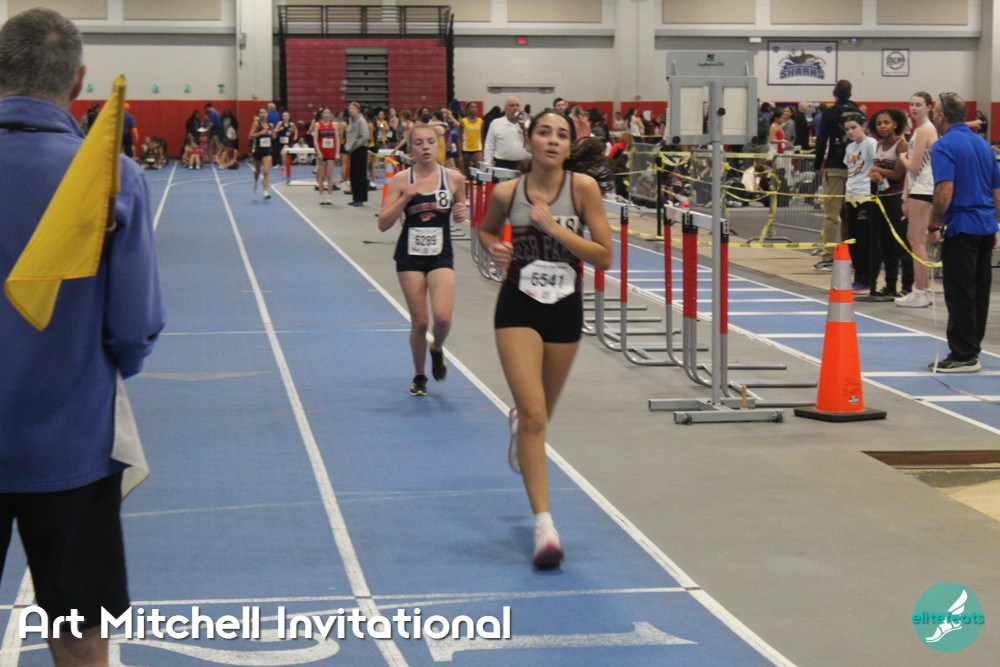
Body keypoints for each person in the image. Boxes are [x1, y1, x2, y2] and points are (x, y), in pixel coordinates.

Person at [0, 8, 164, 665]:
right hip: (71, 445)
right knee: (78, 632)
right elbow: (134, 328)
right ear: (78, 80)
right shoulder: (112, 179)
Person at [478, 111, 613, 568]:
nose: (553, 141)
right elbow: (486, 229)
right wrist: (494, 247)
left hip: (565, 309)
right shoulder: (507, 192)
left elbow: (605, 256)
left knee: (540, 416)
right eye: (544, 133)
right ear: (529, 140)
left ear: (569, 147)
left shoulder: (583, 189)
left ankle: (521, 422)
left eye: (562, 135)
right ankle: (545, 526)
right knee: (536, 416)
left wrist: (554, 228)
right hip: (518, 305)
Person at [377, 124, 467, 395]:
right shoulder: (401, 180)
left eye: (430, 141)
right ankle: (419, 375)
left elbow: (460, 210)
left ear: (439, 146)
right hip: (410, 256)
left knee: (443, 317)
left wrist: (460, 213)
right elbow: (383, 224)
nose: (425, 147)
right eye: (418, 143)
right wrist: (404, 198)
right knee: (420, 322)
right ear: (411, 149)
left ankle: (436, 348)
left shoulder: (454, 179)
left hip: (441, 254)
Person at [927, 93, 1000, 373]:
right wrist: (995, 223)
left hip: (961, 225)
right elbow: (997, 191)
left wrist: (934, 224)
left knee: (959, 291)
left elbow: (945, 189)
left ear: (941, 116)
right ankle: (971, 348)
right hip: (984, 225)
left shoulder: (944, 145)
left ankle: (963, 353)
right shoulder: (983, 146)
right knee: (979, 291)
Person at [812, 80, 860, 271]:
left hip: (835, 166)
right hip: (855, 168)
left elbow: (822, 140)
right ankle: (852, 255)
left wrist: (818, 164)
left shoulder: (830, 113)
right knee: (851, 216)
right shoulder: (858, 112)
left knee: (831, 215)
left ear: (834, 93)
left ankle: (829, 256)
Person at [896, 92, 938, 308]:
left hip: (924, 188)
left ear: (929, 107)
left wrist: (901, 156)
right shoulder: (919, 130)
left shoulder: (925, 130)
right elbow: (912, 171)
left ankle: (920, 290)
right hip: (917, 188)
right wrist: (905, 196)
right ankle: (925, 289)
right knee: (915, 239)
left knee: (917, 240)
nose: (914, 108)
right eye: (911, 104)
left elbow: (913, 166)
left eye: (918, 105)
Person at [868, 108, 912, 297]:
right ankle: (890, 285)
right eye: (879, 123)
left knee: (902, 243)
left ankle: (908, 287)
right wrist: (875, 174)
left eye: (886, 122)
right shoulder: (878, 145)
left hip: (897, 198)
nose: (882, 126)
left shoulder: (901, 145)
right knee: (885, 244)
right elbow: (876, 171)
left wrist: (876, 169)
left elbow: (897, 174)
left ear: (895, 124)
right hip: (880, 198)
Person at [842, 111, 877, 293]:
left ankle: (867, 277)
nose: (850, 132)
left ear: (863, 126)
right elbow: (851, 170)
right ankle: (858, 275)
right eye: (847, 129)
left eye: (854, 128)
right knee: (853, 238)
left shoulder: (870, 143)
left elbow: (876, 165)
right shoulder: (850, 148)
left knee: (865, 239)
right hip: (851, 196)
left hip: (865, 196)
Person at [483, 97, 529, 169]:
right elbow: (489, 145)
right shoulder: (496, 123)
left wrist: (524, 128)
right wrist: (487, 163)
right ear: (505, 109)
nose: (515, 108)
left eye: (517, 105)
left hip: (522, 163)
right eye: (511, 105)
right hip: (502, 163)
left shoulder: (527, 123)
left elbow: (532, 143)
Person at [345, 101, 370, 206]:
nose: (351, 110)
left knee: (360, 174)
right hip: (352, 150)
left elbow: (365, 136)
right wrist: (348, 147)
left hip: (360, 149)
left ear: (358, 110)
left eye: (353, 109)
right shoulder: (351, 121)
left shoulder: (361, 120)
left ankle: (361, 198)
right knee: (353, 174)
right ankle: (355, 197)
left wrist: (355, 145)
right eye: (350, 108)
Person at [313, 107, 339, 205]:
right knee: (321, 175)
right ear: (322, 114)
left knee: (329, 175)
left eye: (328, 113)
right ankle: (321, 195)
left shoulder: (335, 125)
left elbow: (337, 139)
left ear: (331, 115)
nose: (327, 115)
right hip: (322, 152)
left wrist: (337, 152)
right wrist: (318, 152)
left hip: (331, 152)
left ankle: (329, 195)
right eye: (325, 113)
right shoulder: (317, 125)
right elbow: (315, 139)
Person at [248, 107, 274, 200]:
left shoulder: (270, 125)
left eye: (264, 112)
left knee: (266, 171)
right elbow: (250, 136)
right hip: (258, 150)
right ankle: (256, 181)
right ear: (258, 115)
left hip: (267, 150)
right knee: (258, 171)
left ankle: (266, 191)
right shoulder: (256, 124)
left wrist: (273, 132)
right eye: (261, 113)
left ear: (267, 114)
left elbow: (274, 137)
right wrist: (260, 133)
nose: (263, 114)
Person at [459, 101, 483, 177]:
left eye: (475, 107)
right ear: (468, 109)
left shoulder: (481, 121)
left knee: (479, 167)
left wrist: (484, 150)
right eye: (472, 107)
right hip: (466, 149)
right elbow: (459, 139)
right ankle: (467, 182)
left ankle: (478, 182)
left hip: (477, 148)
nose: (474, 109)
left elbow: (482, 136)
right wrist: (460, 154)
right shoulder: (463, 122)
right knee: (467, 170)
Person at [273, 109, 297, 174]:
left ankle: (283, 167)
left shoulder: (291, 124)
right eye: (284, 116)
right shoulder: (280, 123)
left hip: (287, 142)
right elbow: (275, 131)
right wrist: (279, 129)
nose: (285, 117)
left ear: (289, 117)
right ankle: (282, 164)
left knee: (283, 153)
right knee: (281, 154)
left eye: (286, 116)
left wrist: (295, 136)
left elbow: (295, 130)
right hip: (280, 141)